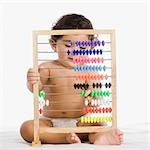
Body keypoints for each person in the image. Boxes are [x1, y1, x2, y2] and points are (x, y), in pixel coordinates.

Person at [20, 13, 123, 145]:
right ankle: (65, 138)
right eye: (68, 46)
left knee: (100, 124)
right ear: (54, 45)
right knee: (27, 128)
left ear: (91, 48)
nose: (75, 51)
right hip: (50, 121)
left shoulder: (90, 72)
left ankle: (98, 137)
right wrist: (32, 81)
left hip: (81, 122)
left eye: (82, 47)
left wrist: (95, 98)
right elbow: (36, 88)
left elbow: (97, 95)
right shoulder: (47, 68)